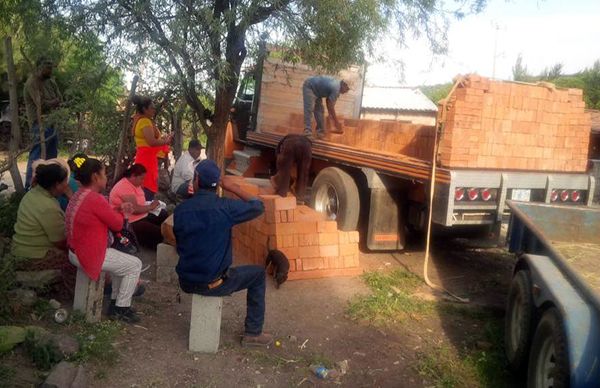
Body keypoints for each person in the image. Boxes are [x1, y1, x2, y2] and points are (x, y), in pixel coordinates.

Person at [174, 160, 272, 347]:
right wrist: (232, 187)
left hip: (185, 281)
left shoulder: (181, 211)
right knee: (258, 274)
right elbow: (258, 206)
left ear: (196, 180)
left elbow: (180, 245)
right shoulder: (226, 208)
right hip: (212, 283)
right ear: (217, 183)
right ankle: (253, 333)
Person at [65, 157, 142, 323]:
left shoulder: (80, 194)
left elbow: (102, 212)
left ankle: (115, 301)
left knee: (121, 261)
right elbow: (117, 224)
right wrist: (124, 213)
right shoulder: (95, 198)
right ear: (95, 177)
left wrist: (117, 209)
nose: (106, 178)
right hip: (88, 254)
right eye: (104, 174)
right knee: (135, 265)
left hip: (74, 251)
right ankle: (121, 308)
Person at [11, 162, 75, 292]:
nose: (66, 185)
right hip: (33, 257)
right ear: (57, 185)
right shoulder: (48, 207)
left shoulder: (33, 194)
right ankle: (73, 298)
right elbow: (61, 242)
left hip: (20, 250)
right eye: (64, 182)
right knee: (76, 261)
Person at [23, 57, 63, 189]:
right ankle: (29, 187)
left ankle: (47, 187)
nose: (50, 69)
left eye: (51, 67)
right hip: (39, 124)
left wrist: (53, 102)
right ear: (39, 67)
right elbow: (41, 104)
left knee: (51, 158)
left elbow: (60, 99)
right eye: (48, 66)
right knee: (36, 158)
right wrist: (53, 102)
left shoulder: (51, 82)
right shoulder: (32, 82)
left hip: (52, 123)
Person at [109, 163, 168, 249]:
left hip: (141, 215)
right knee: (160, 233)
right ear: (133, 176)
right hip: (130, 223)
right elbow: (135, 209)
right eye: (141, 179)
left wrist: (150, 206)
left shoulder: (134, 183)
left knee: (163, 215)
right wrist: (151, 207)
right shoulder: (123, 186)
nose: (143, 181)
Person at [131, 95, 172, 201]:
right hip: (147, 159)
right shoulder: (145, 121)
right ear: (144, 109)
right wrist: (166, 141)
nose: (154, 110)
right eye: (152, 108)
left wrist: (163, 140)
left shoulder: (141, 120)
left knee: (144, 185)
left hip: (145, 157)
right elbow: (152, 142)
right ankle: (145, 210)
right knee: (147, 186)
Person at [270, 134, 312, 203]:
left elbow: (281, 164)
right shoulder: (302, 140)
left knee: (284, 172)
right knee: (303, 173)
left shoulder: (281, 146)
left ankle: (281, 195)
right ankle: (300, 197)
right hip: (307, 146)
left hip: (290, 144)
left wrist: (281, 168)